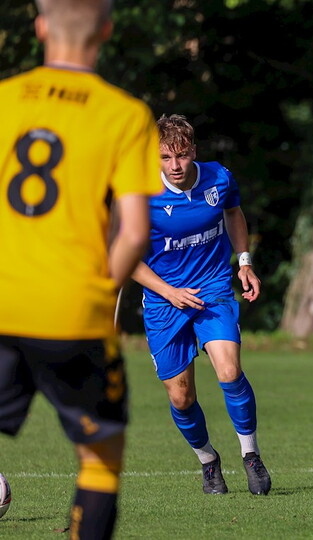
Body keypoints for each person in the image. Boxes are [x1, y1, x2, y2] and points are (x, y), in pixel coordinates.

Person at [0, 0, 160, 537]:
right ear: (107, 31)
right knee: (100, 455)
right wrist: (98, 292)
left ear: (40, 27)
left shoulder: (3, 100)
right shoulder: (125, 114)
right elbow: (134, 232)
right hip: (72, 311)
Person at [132, 114, 271, 496]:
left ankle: (251, 454)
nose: (175, 165)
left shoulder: (219, 178)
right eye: (165, 157)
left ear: (193, 151)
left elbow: (233, 213)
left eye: (181, 155)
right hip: (164, 301)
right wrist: (169, 292)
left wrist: (245, 262)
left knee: (229, 371)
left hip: (213, 287)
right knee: (181, 397)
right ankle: (209, 461)